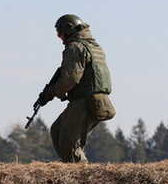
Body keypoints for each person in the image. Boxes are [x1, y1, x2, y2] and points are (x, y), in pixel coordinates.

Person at [35, 14, 115, 162]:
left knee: (68, 143)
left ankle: (79, 174)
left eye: (60, 34)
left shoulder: (75, 47)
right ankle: (72, 167)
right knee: (57, 130)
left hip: (86, 100)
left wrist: (51, 93)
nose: (60, 38)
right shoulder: (92, 46)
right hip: (94, 99)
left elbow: (70, 79)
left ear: (69, 30)